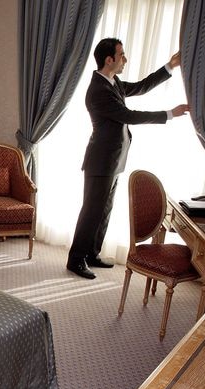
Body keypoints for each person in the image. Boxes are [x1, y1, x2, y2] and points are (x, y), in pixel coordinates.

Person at [66, 38, 190, 280]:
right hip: (101, 161)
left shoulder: (114, 83)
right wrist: (169, 114)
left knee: (104, 210)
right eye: (121, 55)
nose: (125, 59)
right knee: (91, 212)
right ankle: (76, 259)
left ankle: (92, 253)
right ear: (109, 60)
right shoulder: (98, 90)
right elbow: (128, 116)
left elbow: (142, 87)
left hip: (114, 159)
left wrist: (170, 66)